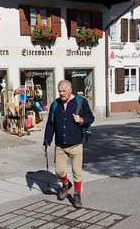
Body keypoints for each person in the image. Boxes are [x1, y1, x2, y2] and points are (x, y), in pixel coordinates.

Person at [43, 80, 94, 209]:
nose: (61, 93)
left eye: (63, 91)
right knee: (59, 171)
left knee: (77, 172)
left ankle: (77, 195)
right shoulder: (55, 104)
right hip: (60, 145)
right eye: (59, 91)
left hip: (76, 144)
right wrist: (47, 141)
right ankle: (66, 184)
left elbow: (90, 117)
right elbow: (50, 124)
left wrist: (81, 120)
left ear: (70, 90)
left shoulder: (80, 102)